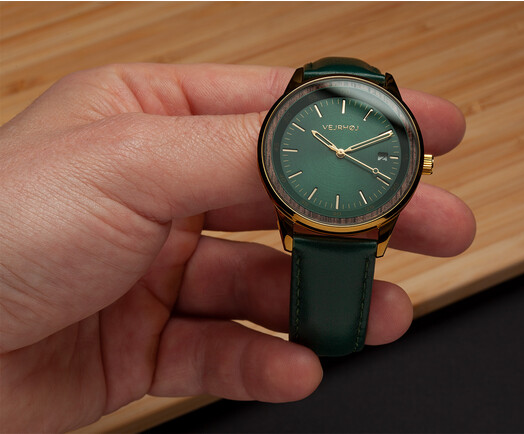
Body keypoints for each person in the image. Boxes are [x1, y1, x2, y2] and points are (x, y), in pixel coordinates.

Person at [0, 63, 475, 432]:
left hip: (360, 215)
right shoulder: (300, 139)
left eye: (345, 151)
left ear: (417, 162)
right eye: (333, 148)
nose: (339, 152)